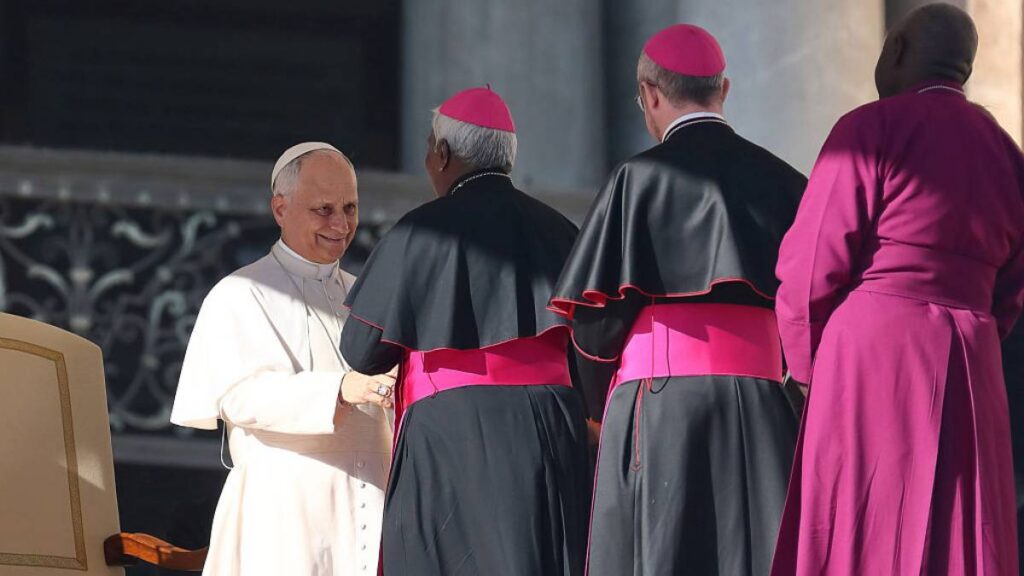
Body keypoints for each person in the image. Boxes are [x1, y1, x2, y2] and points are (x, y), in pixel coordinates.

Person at [770, 4, 1024, 574]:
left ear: (898, 52)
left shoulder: (867, 129)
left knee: (869, 520)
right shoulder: (1008, 153)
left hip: (874, 353)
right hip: (971, 358)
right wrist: (974, 332)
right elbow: (1012, 289)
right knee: (957, 527)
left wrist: (806, 367)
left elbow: (813, 265)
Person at [548, 24, 806, 576]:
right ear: (724, 90)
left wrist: (597, 408)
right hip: (763, 405)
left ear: (650, 95)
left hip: (661, 406)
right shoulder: (786, 182)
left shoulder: (636, 179)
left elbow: (594, 327)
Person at [340, 86, 591, 576]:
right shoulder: (562, 231)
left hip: (451, 432)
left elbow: (362, 350)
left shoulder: (420, 231)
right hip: (550, 427)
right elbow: (592, 348)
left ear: (443, 153)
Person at [170, 142, 396, 576]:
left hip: (372, 507)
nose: (341, 224)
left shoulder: (369, 296)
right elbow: (239, 395)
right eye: (324, 209)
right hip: (283, 518)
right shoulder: (241, 293)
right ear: (280, 208)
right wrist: (341, 389)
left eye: (349, 208)